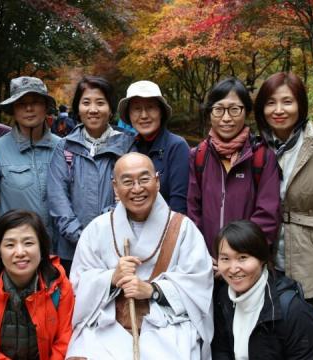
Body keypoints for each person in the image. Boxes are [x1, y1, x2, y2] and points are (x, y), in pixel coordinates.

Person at [66, 153, 214, 360]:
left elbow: (199, 285)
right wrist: (111, 278)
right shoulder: (97, 230)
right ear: (115, 188)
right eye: (127, 182)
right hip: (106, 322)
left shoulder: (182, 229)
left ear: (157, 181)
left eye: (144, 179)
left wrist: (153, 290)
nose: (137, 189)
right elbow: (78, 286)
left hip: (167, 323)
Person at [253, 72, 313, 307]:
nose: (278, 110)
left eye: (287, 101)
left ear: (300, 105)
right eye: (270, 102)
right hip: (266, 249)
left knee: (302, 322)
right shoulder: (258, 148)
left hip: (308, 252)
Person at [47, 76, 135, 275]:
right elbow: (57, 197)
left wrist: (102, 234)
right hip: (71, 251)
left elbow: (130, 193)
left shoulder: (127, 146)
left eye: (100, 103)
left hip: (115, 248)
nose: (93, 109)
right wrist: (81, 237)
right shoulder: (65, 147)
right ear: (78, 108)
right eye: (86, 102)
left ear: (110, 109)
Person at [187, 77, 281, 256]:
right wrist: (201, 256)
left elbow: (267, 215)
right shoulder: (198, 156)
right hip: (207, 262)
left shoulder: (262, 156)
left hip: (247, 263)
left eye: (234, 109)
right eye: (219, 110)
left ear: (246, 112)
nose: (226, 118)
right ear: (209, 113)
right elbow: (193, 213)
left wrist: (236, 258)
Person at [0, 210, 75, 360]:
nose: (20, 252)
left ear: (42, 248)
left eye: (28, 243)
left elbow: (65, 340)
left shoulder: (59, 287)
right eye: (10, 245)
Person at [212, 220, 313, 359]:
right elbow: (221, 349)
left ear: (262, 259)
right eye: (225, 258)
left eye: (242, 258)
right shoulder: (224, 297)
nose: (233, 268)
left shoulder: (292, 311)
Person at [0, 76, 60, 246]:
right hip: (15, 250)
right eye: (21, 103)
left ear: (46, 107)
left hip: (58, 249)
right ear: (13, 110)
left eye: (35, 102)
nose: (29, 108)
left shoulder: (63, 147)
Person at [118, 80, 189, 213]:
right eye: (137, 108)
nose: (144, 115)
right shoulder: (128, 148)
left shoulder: (176, 147)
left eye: (150, 107)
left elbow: (179, 206)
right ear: (129, 114)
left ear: (161, 112)